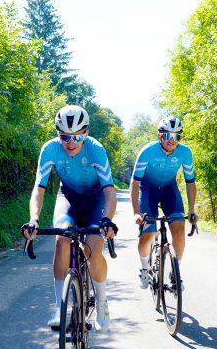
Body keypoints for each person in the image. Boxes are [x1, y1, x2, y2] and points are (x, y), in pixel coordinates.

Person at [22, 104, 118, 332]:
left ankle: (102, 301)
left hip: (95, 200)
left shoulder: (96, 149)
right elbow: (39, 189)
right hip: (68, 198)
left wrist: (107, 219)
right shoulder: (50, 149)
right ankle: (59, 307)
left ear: (86, 133)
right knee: (62, 240)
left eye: (77, 136)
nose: (71, 142)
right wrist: (34, 219)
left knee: (93, 251)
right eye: (65, 136)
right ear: (58, 134)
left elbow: (109, 190)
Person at [130, 115, 197, 290]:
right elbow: (135, 183)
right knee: (148, 234)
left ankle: (175, 272)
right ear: (160, 136)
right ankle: (145, 268)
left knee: (179, 231)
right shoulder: (147, 152)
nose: (172, 140)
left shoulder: (185, 152)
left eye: (176, 136)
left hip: (169, 191)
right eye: (167, 135)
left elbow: (190, 182)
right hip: (148, 191)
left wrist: (192, 209)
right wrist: (136, 212)